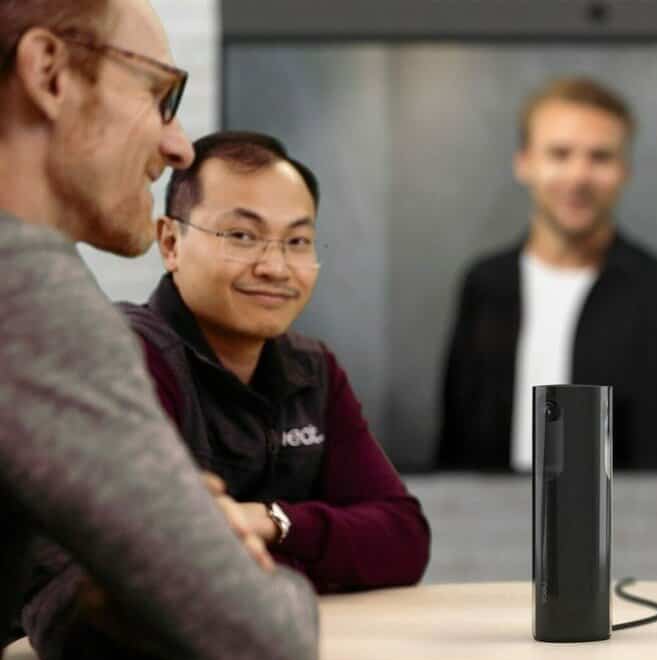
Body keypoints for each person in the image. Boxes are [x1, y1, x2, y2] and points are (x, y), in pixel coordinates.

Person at [0, 1, 317, 660]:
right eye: (157, 93)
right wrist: (216, 547)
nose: (178, 145)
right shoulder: (27, 296)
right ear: (49, 72)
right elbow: (264, 649)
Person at [24, 131, 431, 609]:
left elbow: (404, 540)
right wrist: (326, 554)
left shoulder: (313, 370)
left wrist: (268, 521)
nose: (276, 267)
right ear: (171, 242)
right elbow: (155, 566)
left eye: (297, 241)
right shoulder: (124, 359)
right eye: (242, 236)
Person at [436, 76, 657, 471]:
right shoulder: (485, 285)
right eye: (559, 154)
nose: (578, 176)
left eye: (600, 157)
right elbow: (455, 441)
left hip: (631, 522)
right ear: (524, 163)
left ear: (624, 169)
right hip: (492, 519)